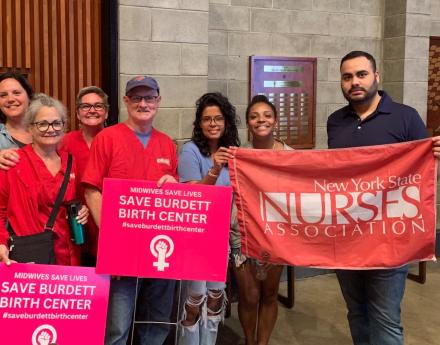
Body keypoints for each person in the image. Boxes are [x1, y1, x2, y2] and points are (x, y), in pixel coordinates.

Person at [327, 51, 428, 345]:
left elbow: (422, 171)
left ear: (376, 77)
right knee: (356, 313)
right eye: (347, 77)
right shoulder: (335, 121)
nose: (354, 82)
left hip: (390, 239)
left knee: (385, 319)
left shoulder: (406, 117)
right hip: (346, 237)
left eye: (361, 74)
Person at [82, 76, 178, 345]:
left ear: (158, 101)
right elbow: (91, 190)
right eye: (136, 98)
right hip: (121, 252)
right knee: (117, 328)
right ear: (126, 101)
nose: (143, 103)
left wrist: (174, 185)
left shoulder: (167, 144)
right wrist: (114, 240)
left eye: (149, 97)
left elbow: (175, 199)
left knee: (157, 322)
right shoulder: (107, 138)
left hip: (161, 251)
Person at [178, 92, 240, 345]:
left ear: (226, 122)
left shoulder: (235, 153)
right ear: (199, 123)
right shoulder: (190, 150)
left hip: (219, 238)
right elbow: (195, 197)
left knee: (216, 298)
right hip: (193, 240)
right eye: (207, 119)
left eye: (218, 118)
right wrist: (214, 169)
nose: (213, 123)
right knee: (194, 300)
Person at [230, 94, 291, 345]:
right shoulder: (239, 156)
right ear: (248, 123)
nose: (260, 121)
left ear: (275, 120)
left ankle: (262, 343)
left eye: (266, 115)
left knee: (269, 293)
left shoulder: (291, 155)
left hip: (276, 237)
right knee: (249, 296)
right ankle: (249, 340)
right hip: (242, 235)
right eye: (254, 117)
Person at [0, 93, 88, 265]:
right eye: (42, 124)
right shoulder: (13, 162)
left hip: (68, 257)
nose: (50, 129)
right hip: (31, 256)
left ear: (64, 127)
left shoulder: (71, 162)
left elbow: (78, 200)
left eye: (56, 123)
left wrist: (84, 211)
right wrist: (1, 242)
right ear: (30, 127)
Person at [60, 86, 108, 266]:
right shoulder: (63, 142)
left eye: (98, 106)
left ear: (107, 112)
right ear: (78, 114)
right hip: (75, 225)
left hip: (108, 226)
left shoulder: (117, 140)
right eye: (85, 106)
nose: (92, 110)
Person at [0, 71, 33, 167]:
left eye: (16, 93)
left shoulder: (48, 130)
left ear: (29, 97)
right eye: (3, 95)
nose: (10, 99)